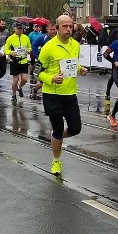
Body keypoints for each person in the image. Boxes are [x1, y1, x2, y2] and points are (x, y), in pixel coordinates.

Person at [37, 15, 87, 176]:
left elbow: (73, 63)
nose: (68, 29)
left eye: (70, 26)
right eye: (64, 26)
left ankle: (55, 139)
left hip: (70, 93)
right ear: (56, 28)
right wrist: (51, 78)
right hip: (52, 94)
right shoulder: (48, 47)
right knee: (58, 128)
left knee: (75, 129)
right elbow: (38, 72)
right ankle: (56, 160)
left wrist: (80, 69)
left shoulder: (75, 45)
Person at [5, 23, 32, 104]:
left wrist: (29, 50)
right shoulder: (10, 38)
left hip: (23, 60)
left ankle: (19, 88)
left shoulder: (26, 37)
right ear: (14, 29)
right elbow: (5, 50)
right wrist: (11, 52)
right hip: (14, 61)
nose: (20, 30)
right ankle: (13, 95)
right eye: (18, 28)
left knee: (24, 79)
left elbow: (29, 47)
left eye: (21, 29)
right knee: (15, 80)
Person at [101, 17, 118, 102]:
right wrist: (115, 44)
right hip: (116, 57)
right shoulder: (116, 31)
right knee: (113, 76)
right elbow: (108, 42)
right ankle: (107, 93)